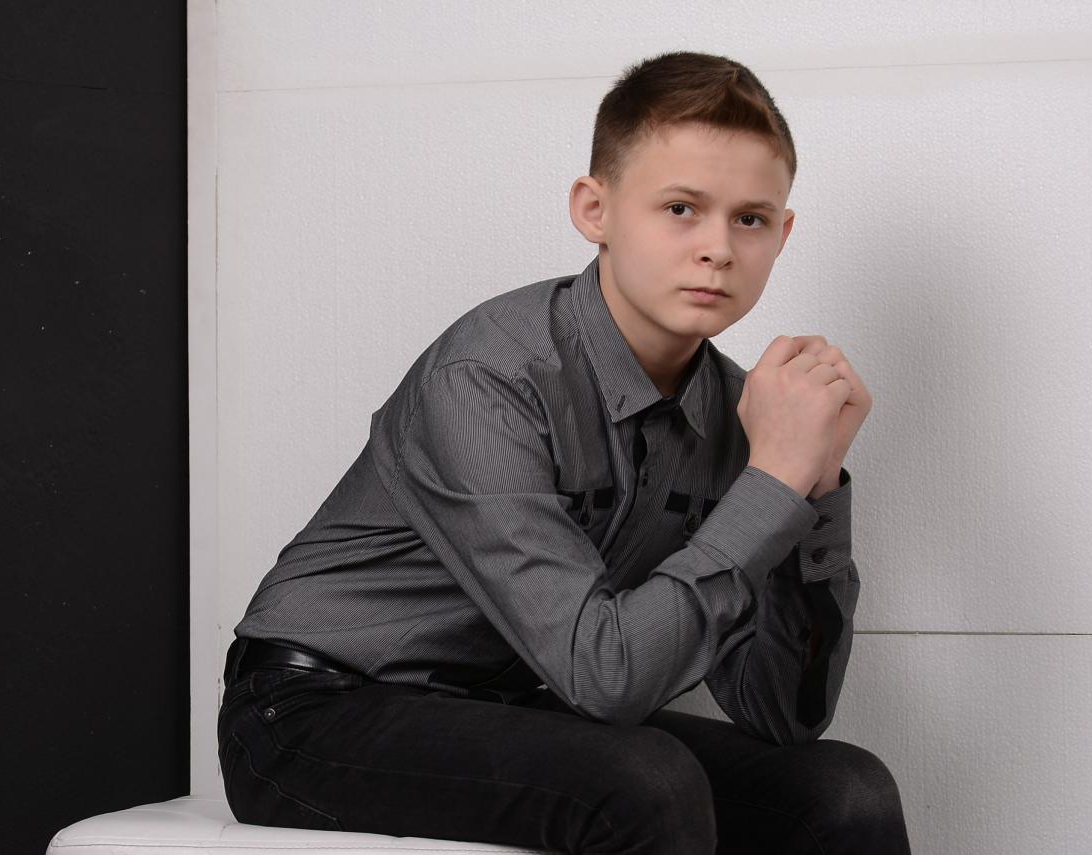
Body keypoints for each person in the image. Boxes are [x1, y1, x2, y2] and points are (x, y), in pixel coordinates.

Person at [218, 50, 912, 854]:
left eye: (750, 219)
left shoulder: (743, 411)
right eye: (681, 208)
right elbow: (604, 677)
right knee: (646, 780)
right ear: (595, 210)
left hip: (517, 705)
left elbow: (781, 713)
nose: (718, 248)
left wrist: (813, 483)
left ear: (783, 234)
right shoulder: (488, 377)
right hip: (313, 710)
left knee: (843, 790)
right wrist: (773, 478)